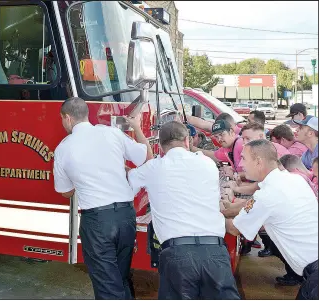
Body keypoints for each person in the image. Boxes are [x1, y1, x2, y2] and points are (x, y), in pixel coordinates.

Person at [127, 121, 240, 300]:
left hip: (177, 255)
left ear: (162, 146)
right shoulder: (207, 164)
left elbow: (130, 182)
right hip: (215, 253)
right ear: (187, 141)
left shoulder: (153, 168)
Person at [53, 97, 153, 299]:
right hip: (126, 217)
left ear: (67, 118)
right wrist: (138, 129)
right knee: (120, 278)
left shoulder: (63, 149)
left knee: (108, 287)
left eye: (62, 120)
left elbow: (65, 191)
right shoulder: (112, 133)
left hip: (97, 222)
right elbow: (146, 157)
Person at [226, 139, 318, 299]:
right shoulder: (293, 179)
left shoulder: (268, 195)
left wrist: (209, 214)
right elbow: (253, 205)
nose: (241, 164)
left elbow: (235, 228)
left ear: (258, 161)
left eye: (244, 158)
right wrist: (226, 208)